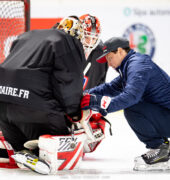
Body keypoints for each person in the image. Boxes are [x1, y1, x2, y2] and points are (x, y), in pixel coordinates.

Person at [0, 16, 86, 174]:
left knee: (21, 138)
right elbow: (69, 81)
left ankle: (17, 150)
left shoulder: (26, 35)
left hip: (3, 109)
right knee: (64, 138)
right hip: (36, 112)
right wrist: (74, 113)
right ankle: (39, 154)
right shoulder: (67, 41)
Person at [80, 37, 170, 171]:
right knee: (134, 105)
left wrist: (100, 103)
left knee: (132, 107)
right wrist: (84, 94)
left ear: (121, 51)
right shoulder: (129, 66)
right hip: (164, 114)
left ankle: (160, 149)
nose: (109, 64)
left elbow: (131, 97)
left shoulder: (137, 65)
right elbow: (110, 87)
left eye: (110, 58)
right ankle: (162, 147)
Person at [79, 14, 108, 90]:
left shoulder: (101, 54)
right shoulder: (66, 49)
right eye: (86, 37)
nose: (90, 42)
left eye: (94, 39)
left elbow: (100, 83)